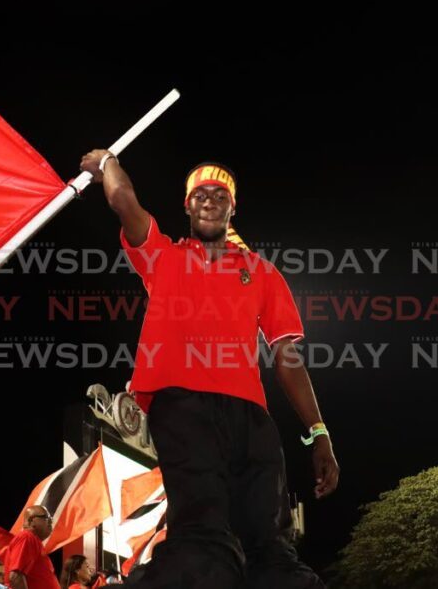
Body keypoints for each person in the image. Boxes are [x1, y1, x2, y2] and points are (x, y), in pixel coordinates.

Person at [79, 152, 340, 589]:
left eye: (220, 195)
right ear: (186, 205)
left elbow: (287, 356)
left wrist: (319, 431)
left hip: (252, 418)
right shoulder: (162, 255)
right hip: (183, 408)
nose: (209, 200)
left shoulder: (261, 272)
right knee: (203, 536)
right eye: (199, 194)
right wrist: (108, 162)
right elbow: (124, 200)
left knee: (269, 545)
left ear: (232, 207)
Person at [0, 506, 60, 589]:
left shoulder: (33, 541)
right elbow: (15, 576)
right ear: (31, 520)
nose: (51, 521)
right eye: (46, 517)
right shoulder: (27, 537)